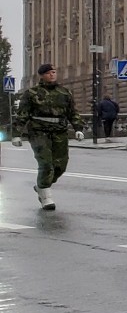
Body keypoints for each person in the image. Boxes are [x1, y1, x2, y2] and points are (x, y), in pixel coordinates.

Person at [15, 64, 78, 210]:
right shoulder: (31, 93)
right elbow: (22, 114)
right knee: (46, 163)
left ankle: (42, 185)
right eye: (49, 73)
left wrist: (78, 128)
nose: (52, 75)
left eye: (54, 72)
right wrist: (16, 135)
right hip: (39, 132)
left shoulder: (64, 93)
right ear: (42, 75)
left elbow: (72, 113)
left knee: (60, 165)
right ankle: (45, 195)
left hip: (59, 131)